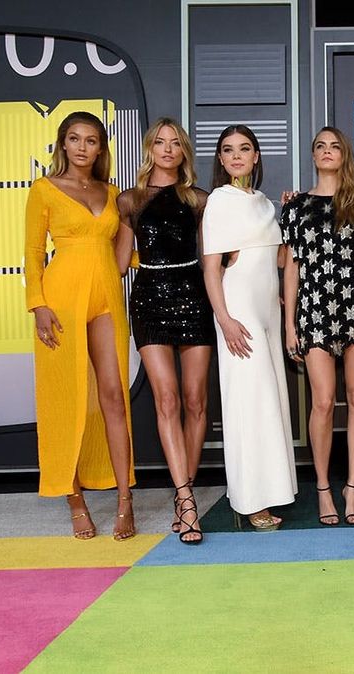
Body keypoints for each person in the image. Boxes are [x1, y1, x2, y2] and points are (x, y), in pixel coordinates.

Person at [23, 110, 135, 540]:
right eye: (75, 138)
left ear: (101, 148)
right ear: (63, 143)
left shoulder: (113, 193)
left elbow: (123, 257)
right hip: (61, 299)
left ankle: (124, 499)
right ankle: (75, 500)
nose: (82, 147)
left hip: (107, 295)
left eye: (91, 140)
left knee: (114, 396)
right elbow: (33, 252)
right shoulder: (44, 189)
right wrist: (38, 305)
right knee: (65, 399)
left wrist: (144, 233)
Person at [116, 118, 212, 544]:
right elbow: (119, 263)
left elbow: (214, 257)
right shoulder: (130, 200)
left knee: (195, 400)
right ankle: (186, 499)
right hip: (149, 300)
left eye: (175, 143)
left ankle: (182, 491)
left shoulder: (199, 200)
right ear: (150, 149)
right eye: (160, 142)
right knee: (167, 399)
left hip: (193, 297)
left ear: (184, 151)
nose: (168, 149)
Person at [201, 124, 297, 530]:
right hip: (238, 308)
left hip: (268, 310)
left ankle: (271, 491)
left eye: (244, 149)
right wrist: (224, 320)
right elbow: (211, 269)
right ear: (221, 159)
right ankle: (249, 499)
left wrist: (289, 214)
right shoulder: (218, 201)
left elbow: (279, 260)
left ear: (256, 156)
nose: (237, 156)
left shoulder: (263, 203)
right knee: (247, 403)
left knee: (269, 401)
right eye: (228, 150)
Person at [281, 126, 354, 526]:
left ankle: (352, 487)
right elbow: (291, 268)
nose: (327, 151)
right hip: (314, 309)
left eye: (335, 146)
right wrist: (290, 325)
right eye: (320, 146)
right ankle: (322, 487)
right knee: (322, 401)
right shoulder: (296, 207)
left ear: (344, 155)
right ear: (313, 155)